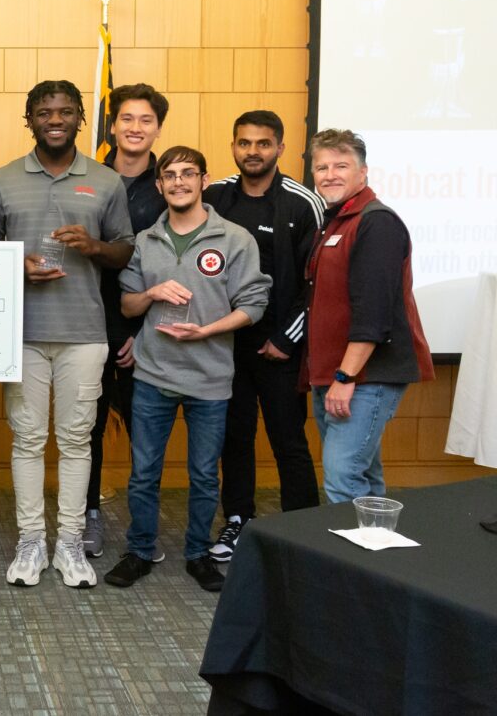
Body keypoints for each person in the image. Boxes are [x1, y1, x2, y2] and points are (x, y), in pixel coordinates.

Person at [0, 80, 134, 589]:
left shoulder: (106, 180)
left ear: (80, 119)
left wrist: (93, 247)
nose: (55, 118)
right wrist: (15, 268)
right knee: (27, 440)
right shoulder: (1, 180)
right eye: (44, 111)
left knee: (75, 441)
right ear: (29, 118)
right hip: (19, 335)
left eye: (66, 111)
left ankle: (69, 542)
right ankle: (30, 541)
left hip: (85, 334)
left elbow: (125, 251)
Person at [105, 146, 271, 593]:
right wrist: (154, 292)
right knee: (144, 472)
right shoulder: (145, 241)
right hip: (154, 376)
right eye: (170, 176)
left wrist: (207, 331)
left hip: (211, 378)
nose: (178, 182)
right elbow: (127, 302)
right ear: (159, 186)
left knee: (202, 474)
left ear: (203, 180)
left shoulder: (234, 239)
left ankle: (198, 553)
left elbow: (254, 304)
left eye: (188, 174)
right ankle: (139, 550)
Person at [203, 111, 323, 561]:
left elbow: (317, 285)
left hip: (279, 348)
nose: (253, 151)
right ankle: (238, 520)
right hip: (225, 345)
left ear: (281, 148)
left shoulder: (301, 202)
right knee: (234, 438)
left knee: (288, 440)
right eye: (244, 143)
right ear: (233, 146)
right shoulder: (215, 196)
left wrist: (288, 340)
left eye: (263, 144)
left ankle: (306, 533)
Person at [303, 129, 433, 503]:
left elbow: (373, 312)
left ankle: (348, 561)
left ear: (363, 173)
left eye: (341, 165)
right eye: (321, 167)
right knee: (364, 475)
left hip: (363, 376)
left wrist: (345, 376)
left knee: (343, 478)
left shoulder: (376, 223)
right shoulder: (336, 220)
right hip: (336, 374)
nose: (329, 174)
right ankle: (375, 556)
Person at [84, 83, 169, 560]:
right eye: (127, 119)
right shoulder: (89, 178)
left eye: (146, 121)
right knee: (88, 426)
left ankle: (145, 524)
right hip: (91, 321)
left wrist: (143, 334)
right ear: (111, 125)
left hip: (146, 328)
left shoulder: (170, 182)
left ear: (158, 128)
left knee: (145, 431)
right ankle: (90, 514)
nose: (135, 129)